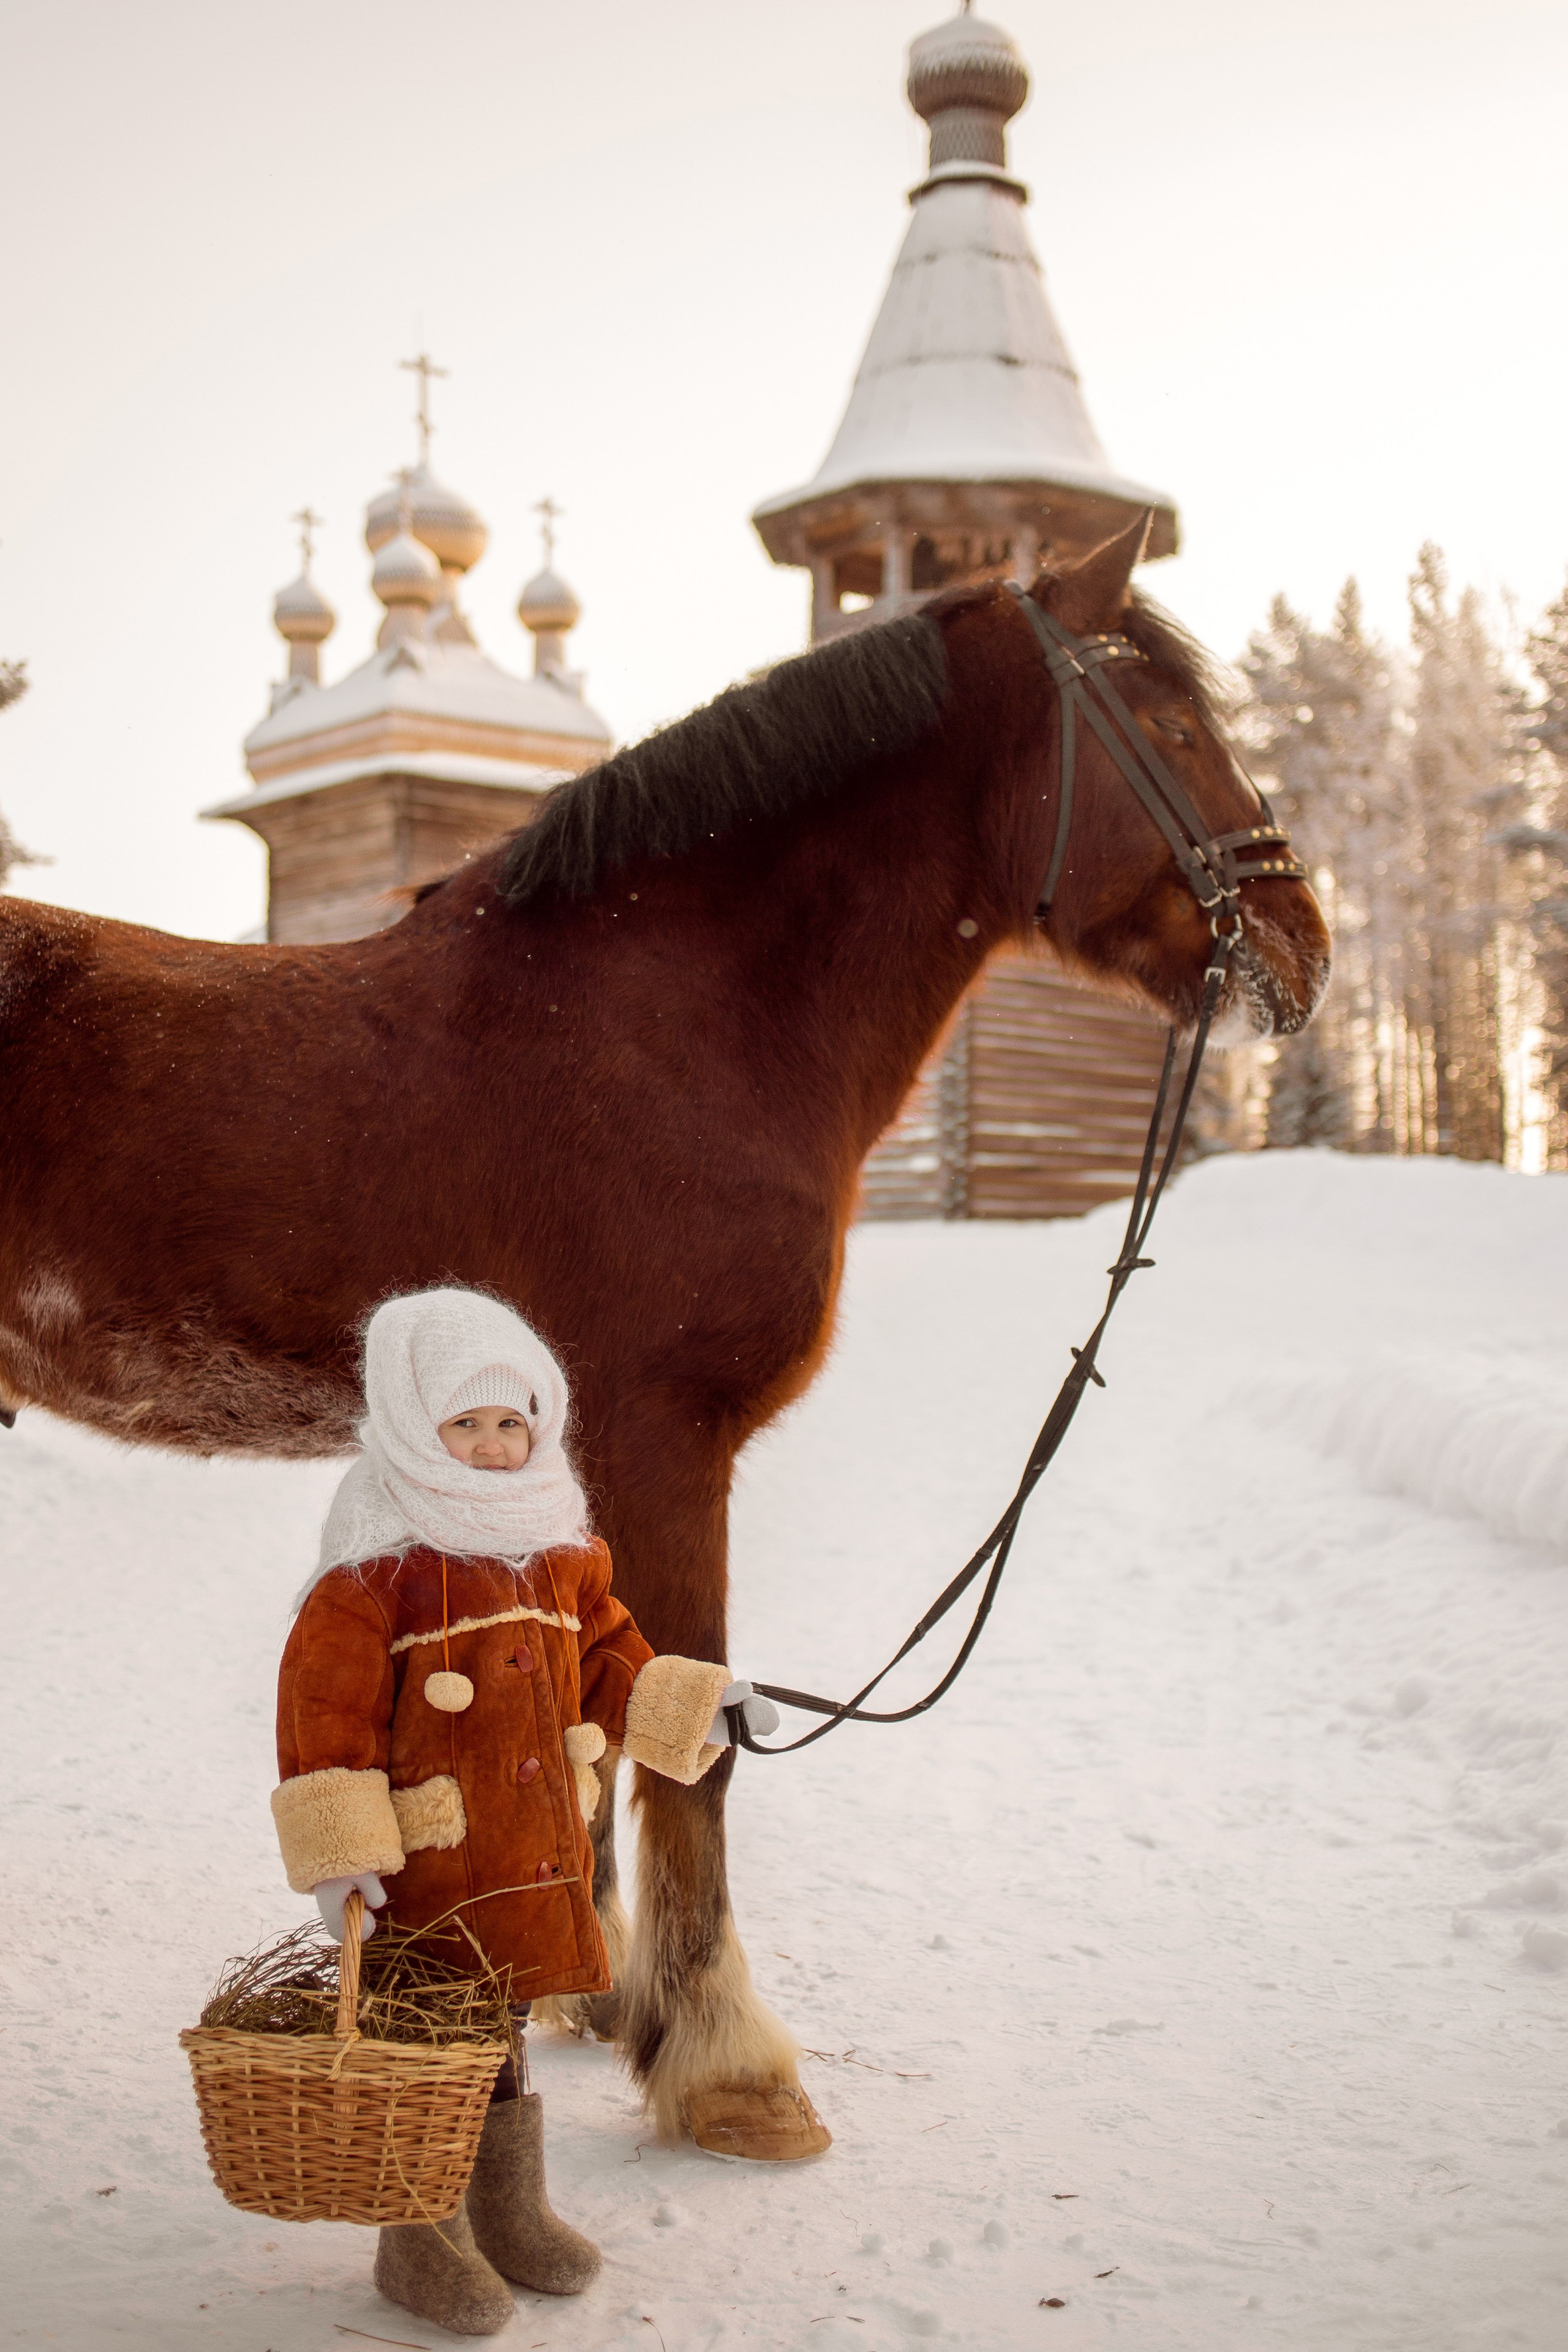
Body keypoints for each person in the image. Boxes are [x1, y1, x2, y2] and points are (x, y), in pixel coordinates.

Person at [271, 1286, 775, 2336]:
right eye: (466, 1422)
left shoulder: (560, 1549)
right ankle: (419, 2231)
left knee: (499, 2030)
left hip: (529, 1857)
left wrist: (698, 1704)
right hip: (429, 1868)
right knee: (435, 2042)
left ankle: (507, 2207)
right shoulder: (377, 1568)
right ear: (414, 1420)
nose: (495, 1446)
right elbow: (326, 1714)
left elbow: (607, 1659)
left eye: (513, 1421)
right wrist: (340, 1850)